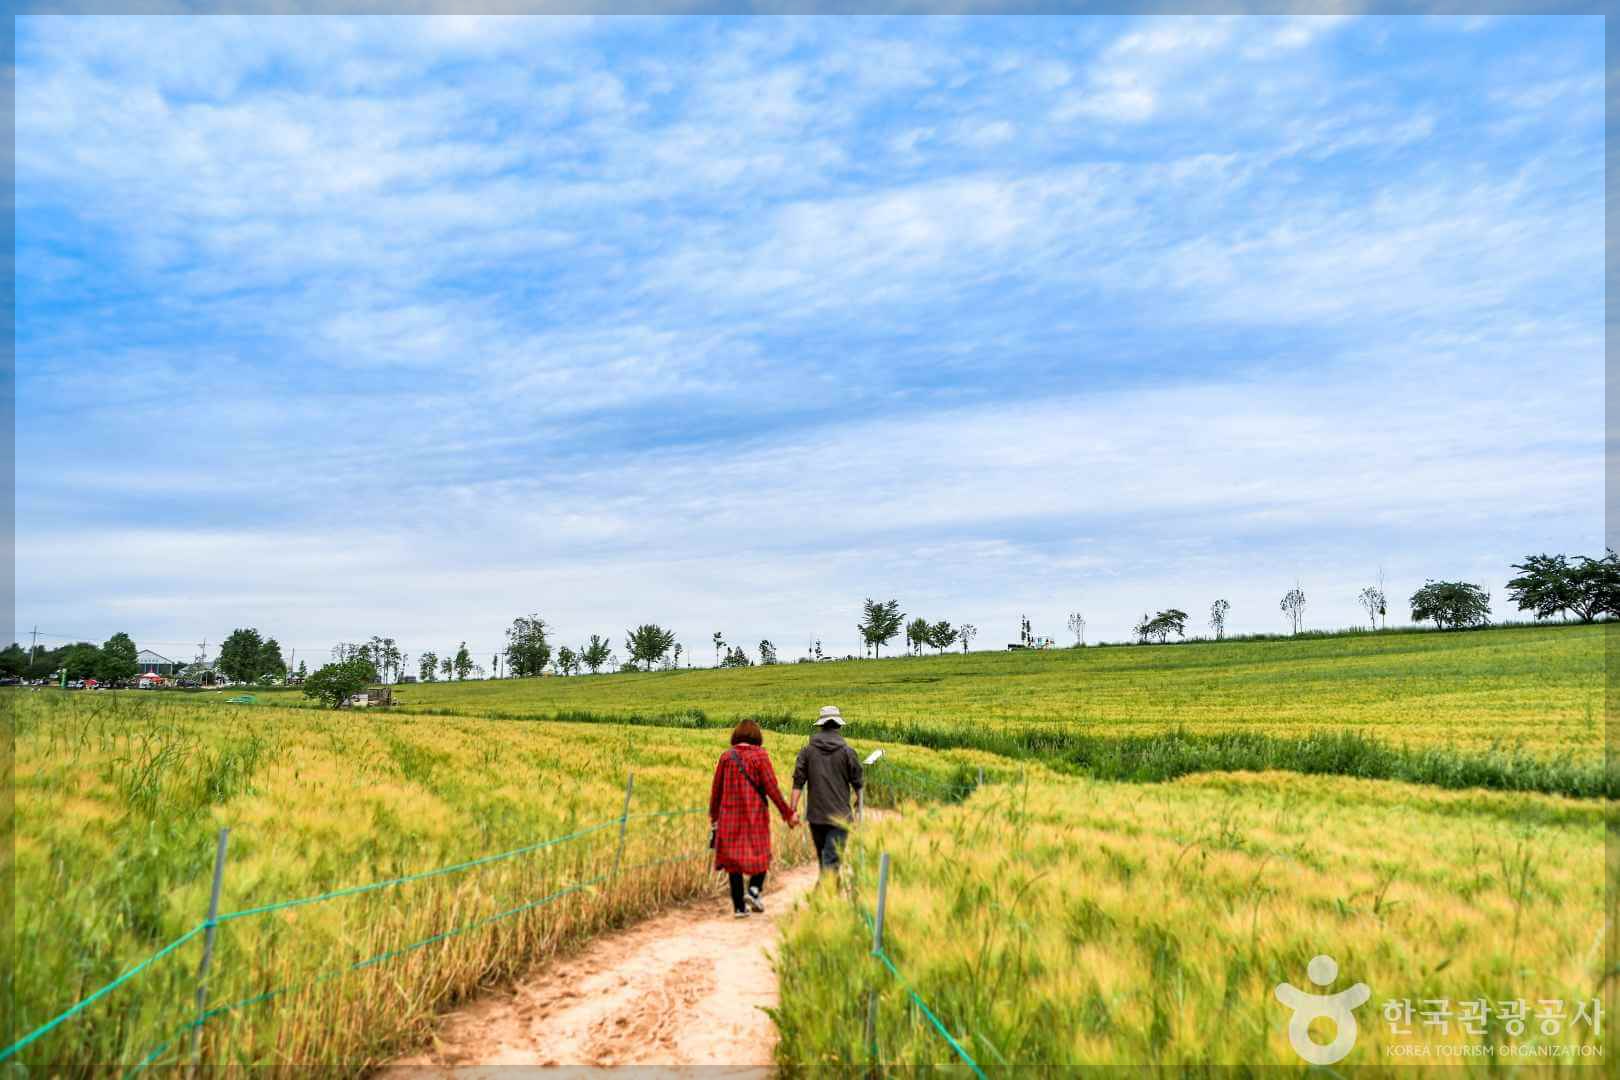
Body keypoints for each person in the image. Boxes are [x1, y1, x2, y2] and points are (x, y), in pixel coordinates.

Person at [709, 718, 797, 917]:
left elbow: (716, 791)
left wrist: (714, 817)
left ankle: (739, 908)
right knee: (762, 852)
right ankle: (754, 890)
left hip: (729, 817)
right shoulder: (760, 756)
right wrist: (788, 814)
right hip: (754, 815)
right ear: (756, 736)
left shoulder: (726, 757)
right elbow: (772, 788)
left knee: (733, 863)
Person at [790, 704, 864, 875]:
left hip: (816, 817)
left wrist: (792, 809)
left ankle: (828, 896)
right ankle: (826, 895)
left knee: (825, 861)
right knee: (832, 862)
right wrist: (859, 806)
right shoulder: (848, 752)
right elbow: (858, 783)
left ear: (821, 725)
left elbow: (798, 783)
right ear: (838, 725)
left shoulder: (807, 751)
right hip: (840, 817)